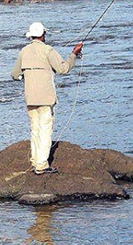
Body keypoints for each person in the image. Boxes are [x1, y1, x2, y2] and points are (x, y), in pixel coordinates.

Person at [11, 22, 83, 175]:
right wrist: (74, 54)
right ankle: (42, 165)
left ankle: (35, 161)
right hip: (46, 98)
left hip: (30, 99)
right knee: (45, 130)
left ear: (31, 36)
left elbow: (14, 75)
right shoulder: (48, 50)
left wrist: (26, 76)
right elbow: (63, 69)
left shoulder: (24, 51)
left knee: (35, 130)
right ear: (43, 35)